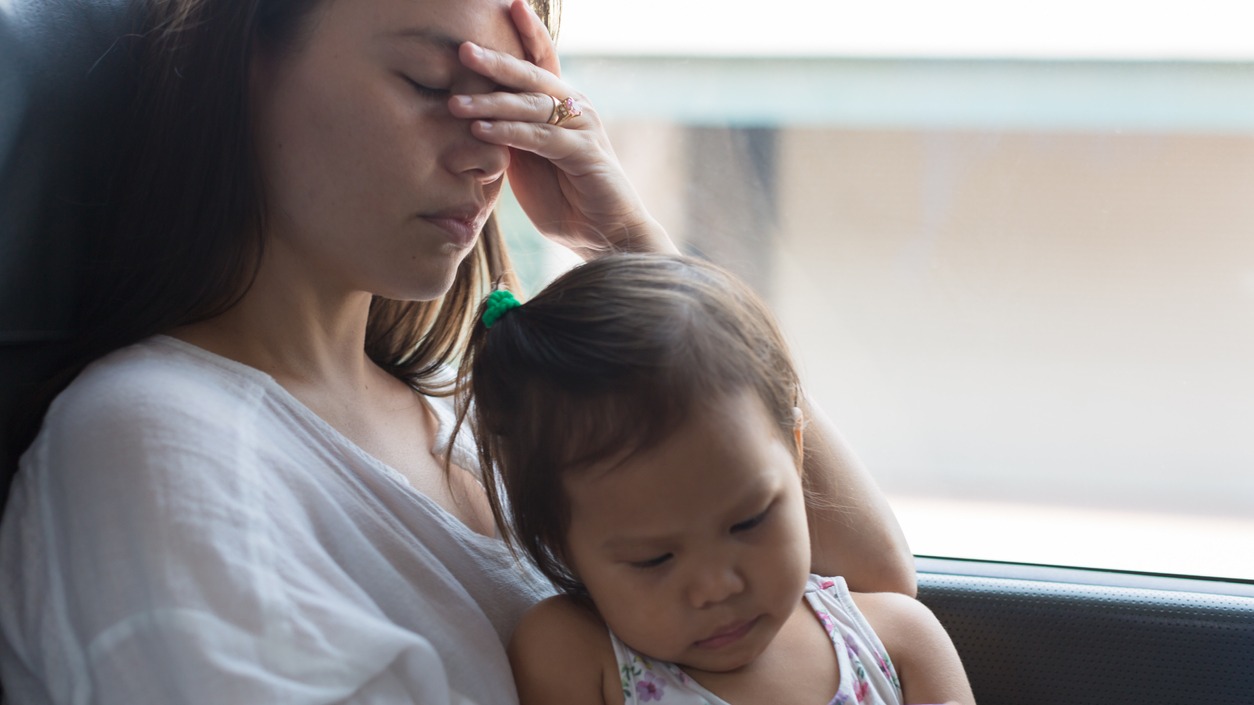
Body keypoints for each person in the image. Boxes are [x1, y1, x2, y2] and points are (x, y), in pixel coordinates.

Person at [0, 0, 915, 702]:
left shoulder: (469, 419)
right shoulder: (156, 444)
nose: (489, 155)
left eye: (512, 101)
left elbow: (868, 598)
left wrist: (633, 246)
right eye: (436, 88)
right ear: (249, 59)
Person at [460, 253, 975, 705]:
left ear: (797, 453)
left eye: (748, 522)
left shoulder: (897, 640)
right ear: (562, 544)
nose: (716, 586)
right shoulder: (573, 655)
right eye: (654, 558)